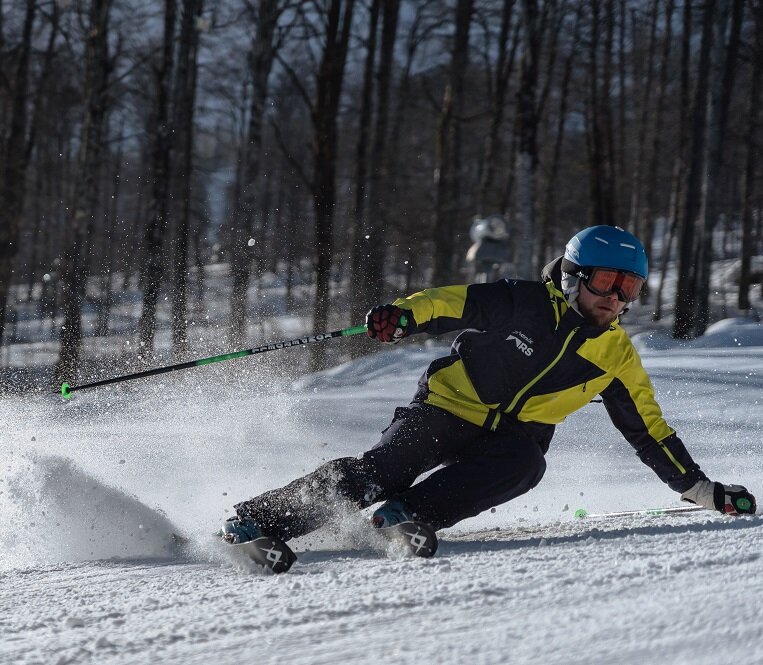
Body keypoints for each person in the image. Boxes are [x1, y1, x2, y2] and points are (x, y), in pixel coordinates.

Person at [222, 225, 756, 547]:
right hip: (446, 410)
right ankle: (255, 521)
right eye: (605, 282)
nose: (615, 298)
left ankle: (405, 518)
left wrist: (703, 492)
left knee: (526, 466)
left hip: (512, 439)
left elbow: (649, 433)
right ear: (573, 276)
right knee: (382, 471)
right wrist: (403, 317)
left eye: (629, 287)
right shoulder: (520, 302)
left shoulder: (615, 355)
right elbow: (448, 302)